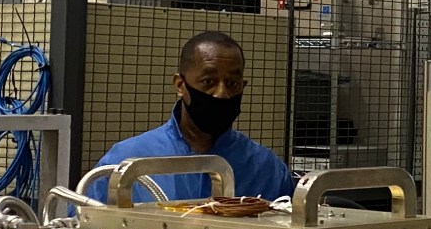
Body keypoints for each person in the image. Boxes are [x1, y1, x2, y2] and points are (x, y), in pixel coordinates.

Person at [87, 30, 293, 202]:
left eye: (232, 84)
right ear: (180, 85)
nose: (222, 94)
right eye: (208, 82)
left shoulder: (266, 169)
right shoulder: (128, 160)